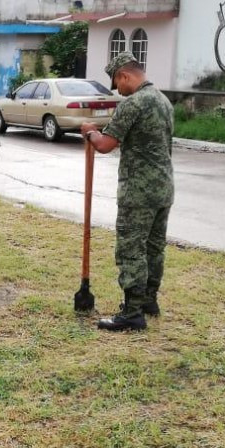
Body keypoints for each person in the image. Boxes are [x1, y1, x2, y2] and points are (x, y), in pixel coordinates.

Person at [80, 52, 175, 332]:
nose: (117, 91)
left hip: (138, 191)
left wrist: (89, 132)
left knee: (132, 249)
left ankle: (132, 313)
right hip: (164, 187)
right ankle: (148, 300)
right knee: (154, 248)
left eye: (116, 84)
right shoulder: (163, 100)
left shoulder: (134, 104)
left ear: (124, 75)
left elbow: (106, 144)